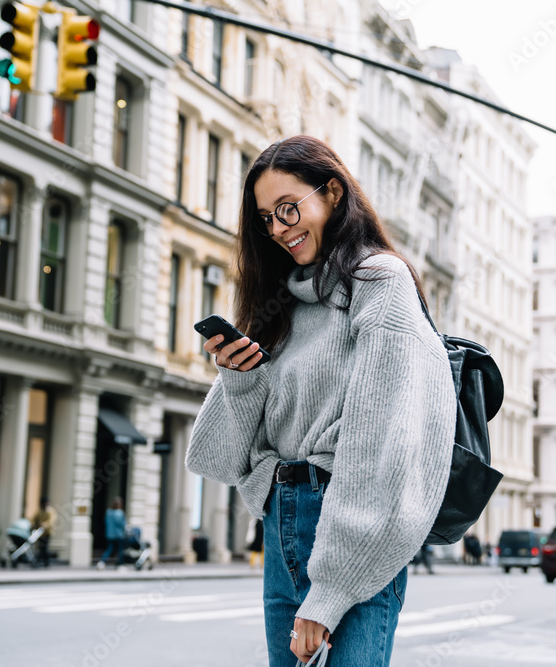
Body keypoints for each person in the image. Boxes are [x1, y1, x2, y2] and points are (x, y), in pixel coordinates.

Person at [186, 135, 455, 666]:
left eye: (289, 208)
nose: (279, 228)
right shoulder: (280, 302)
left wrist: (329, 591)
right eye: (266, 218)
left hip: (356, 537)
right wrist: (240, 380)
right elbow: (213, 458)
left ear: (332, 193)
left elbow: (379, 448)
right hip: (283, 526)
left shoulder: (379, 281)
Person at [98, 497, 126, 568]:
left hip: (109, 534)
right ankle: (120, 564)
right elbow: (122, 524)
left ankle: (102, 562)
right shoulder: (120, 513)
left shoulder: (108, 512)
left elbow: (105, 522)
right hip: (119, 535)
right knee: (120, 550)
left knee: (109, 549)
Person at [31, 496, 56, 568]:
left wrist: (44, 525)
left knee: (44, 547)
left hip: (47, 532)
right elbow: (34, 518)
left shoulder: (50, 511)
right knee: (41, 547)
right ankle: (44, 561)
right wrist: (33, 524)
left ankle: (44, 561)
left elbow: (51, 521)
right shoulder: (40, 511)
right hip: (40, 532)